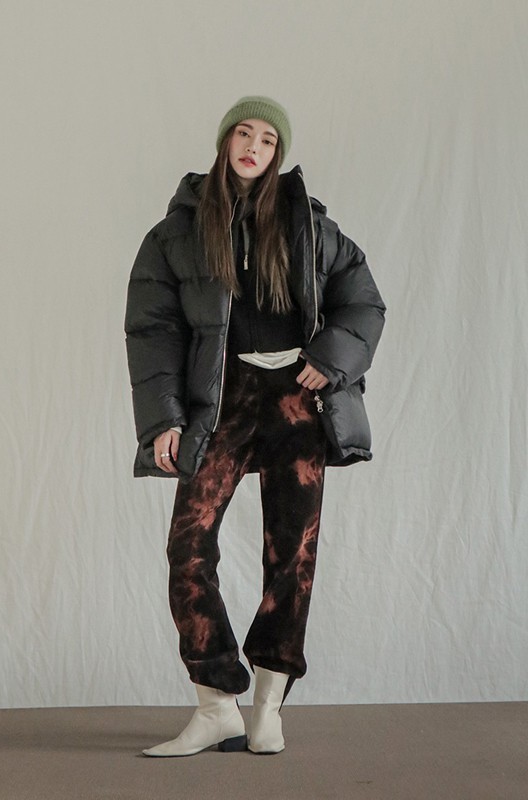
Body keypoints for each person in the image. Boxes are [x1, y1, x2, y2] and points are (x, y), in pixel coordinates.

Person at [124, 96, 386, 757]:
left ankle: (268, 708)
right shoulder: (176, 235)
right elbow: (153, 331)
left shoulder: (309, 227)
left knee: (292, 553)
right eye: (244, 133)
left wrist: (331, 360)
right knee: (188, 549)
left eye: (268, 139)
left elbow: (363, 302)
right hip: (221, 402)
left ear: (278, 154)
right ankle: (216, 705)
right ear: (224, 142)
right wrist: (164, 420)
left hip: (298, 398)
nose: (253, 146)